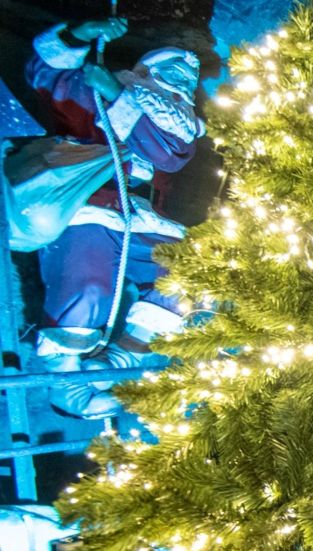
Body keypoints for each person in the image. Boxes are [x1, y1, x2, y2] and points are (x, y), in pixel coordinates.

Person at [23, 17, 203, 417]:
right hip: (90, 204)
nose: (183, 84)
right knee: (88, 285)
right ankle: (66, 383)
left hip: (140, 217)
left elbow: (168, 153)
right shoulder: (93, 95)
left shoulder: (176, 125)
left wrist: (120, 97)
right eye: (173, 72)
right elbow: (47, 76)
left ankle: (120, 360)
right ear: (146, 72)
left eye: (189, 79)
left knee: (192, 273)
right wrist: (77, 38)